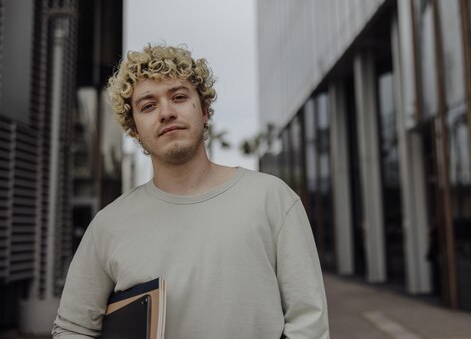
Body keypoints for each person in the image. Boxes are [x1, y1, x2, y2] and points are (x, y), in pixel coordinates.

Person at [52, 44, 329, 338]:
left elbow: (308, 322)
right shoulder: (108, 226)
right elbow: (73, 328)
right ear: (134, 129)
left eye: (179, 97)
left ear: (205, 110)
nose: (166, 113)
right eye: (148, 106)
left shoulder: (273, 199)